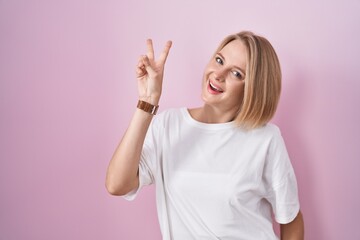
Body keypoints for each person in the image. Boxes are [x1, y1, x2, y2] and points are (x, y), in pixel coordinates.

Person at [106, 31, 304, 239]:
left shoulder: (266, 140)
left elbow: (291, 218)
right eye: (219, 60)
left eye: (236, 73)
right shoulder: (169, 125)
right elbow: (117, 184)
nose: (218, 75)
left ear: (253, 88)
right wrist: (148, 101)